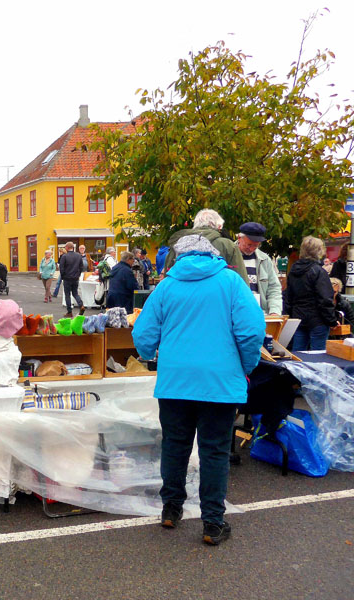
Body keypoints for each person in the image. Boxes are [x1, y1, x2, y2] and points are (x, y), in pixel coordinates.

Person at [132, 234, 264, 546]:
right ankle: (213, 523)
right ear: (213, 255)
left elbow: (143, 333)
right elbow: (252, 330)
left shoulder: (167, 285)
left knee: (175, 446)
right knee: (214, 451)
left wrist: (150, 352)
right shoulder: (230, 282)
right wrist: (245, 366)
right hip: (219, 382)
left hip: (175, 381)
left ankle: (171, 508)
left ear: (179, 257)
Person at [283, 236, 337, 351]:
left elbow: (288, 297)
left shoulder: (293, 270)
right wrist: (331, 320)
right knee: (318, 356)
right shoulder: (319, 272)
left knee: (298, 355)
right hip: (317, 320)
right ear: (319, 251)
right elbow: (325, 299)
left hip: (298, 319)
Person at [163, 209, 247, 281]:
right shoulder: (228, 246)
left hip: (182, 297)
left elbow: (167, 278)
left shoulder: (178, 244)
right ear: (219, 226)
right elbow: (241, 280)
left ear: (195, 225)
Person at [234, 222, 282, 315]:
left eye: (256, 246)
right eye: (249, 245)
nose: (251, 249)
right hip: (235, 314)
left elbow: (274, 288)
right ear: (239, 238)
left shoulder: (265, 259)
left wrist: (274, 312)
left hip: (259, 314)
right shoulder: (228, 256)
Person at [58, 241, 85, 317]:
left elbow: (61, 268)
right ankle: (81, 305)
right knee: (75, 293)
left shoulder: (64, 256)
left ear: (67, 247)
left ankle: (69, 311)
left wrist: (63, 277)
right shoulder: (79, 256)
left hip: (67, 278)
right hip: (75, 278)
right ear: (73, 247)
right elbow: (81, 267)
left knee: (67, 294)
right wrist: (78, 275)